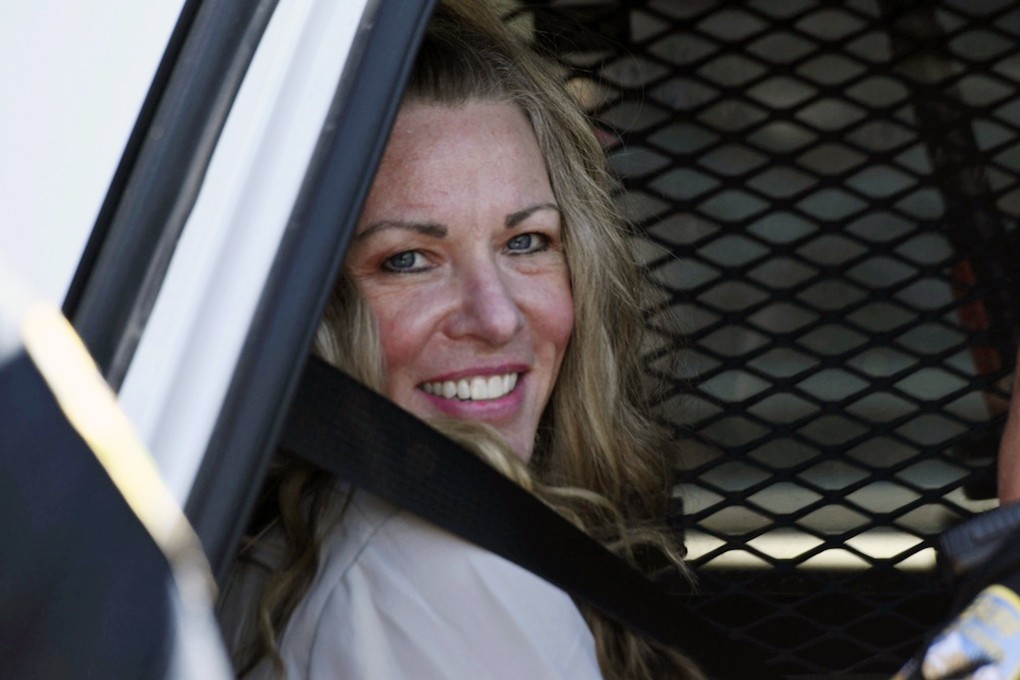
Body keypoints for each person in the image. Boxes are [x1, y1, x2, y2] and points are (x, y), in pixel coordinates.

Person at [218, 2, 703, 679]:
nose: (496, 317)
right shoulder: (445, 573)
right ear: (309, 301)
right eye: (409, 259)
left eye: (526, 242)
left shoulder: (283, 545)